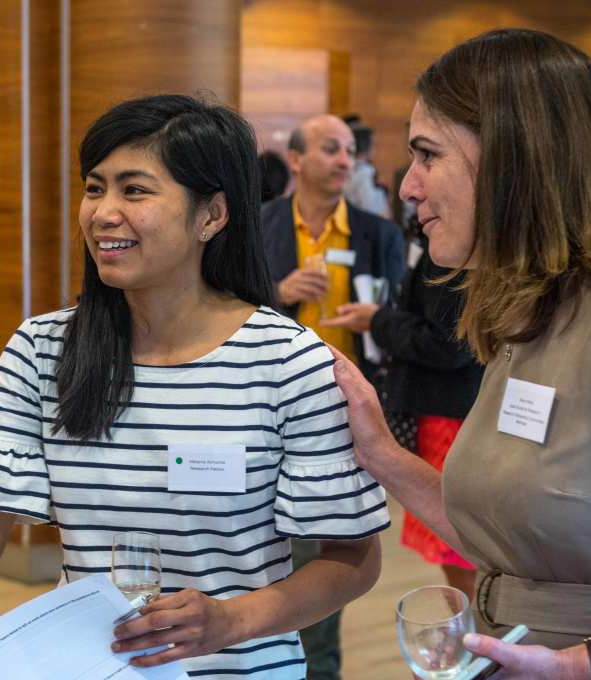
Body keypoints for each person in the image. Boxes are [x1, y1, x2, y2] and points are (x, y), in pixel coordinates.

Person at [0, 94, 389, 679]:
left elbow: (352, 557)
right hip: (86, 667)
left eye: (134, 190)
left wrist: (232, 619)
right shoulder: (42, 349)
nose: (104, 212)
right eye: (94, 188)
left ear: (212, 215)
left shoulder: (291, 362)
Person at [329, 28, 591, 679]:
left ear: (514, 156)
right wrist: (378, 450)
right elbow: (500, 542)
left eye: (428, 155)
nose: (407, 187)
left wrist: (579, 665)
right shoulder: (526, 315)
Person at [261, 113, 404, 680]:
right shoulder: (259, 226)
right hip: (266, 411)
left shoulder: (379, 234)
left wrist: (377, 320)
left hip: (346, 420)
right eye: (330, 149)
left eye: (349, 151)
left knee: (331, 557)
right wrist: (279, 293)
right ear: (295, 160)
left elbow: (396, 317)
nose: (346, 160)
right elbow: (224, 308)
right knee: (265, 547)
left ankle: (320, 670)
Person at [322, 235, 483, 601]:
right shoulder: (435, 239)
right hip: (448, 408)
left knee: (460, 545)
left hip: (450, 410)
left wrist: (378, 321)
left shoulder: (453, 246)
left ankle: (479, 639)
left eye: (425, 172)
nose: (411, 187)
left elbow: (449, 343)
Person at [343, 123, 391, 219]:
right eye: (373, 144)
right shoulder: (365, 172)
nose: (375, 148)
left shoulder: (345, 168)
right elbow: (370, 208)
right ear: (366, 145)